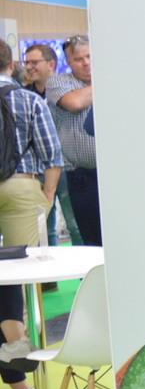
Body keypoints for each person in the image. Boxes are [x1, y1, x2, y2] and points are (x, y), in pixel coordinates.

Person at [0, 41, 64, 389]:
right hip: (22, 189)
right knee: (18, 277)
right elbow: (52, 155)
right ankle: (16, 343)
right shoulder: (28, 100)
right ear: (12, 65)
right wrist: (47, 195)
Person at [22, 43, 81, 249]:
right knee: (44, 228)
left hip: (66, 166)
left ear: (51, 64)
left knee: (74, 224)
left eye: (34, 62)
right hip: (37, 169)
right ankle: (49, 270)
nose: (29, 67)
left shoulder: (67, 91)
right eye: (27, 62)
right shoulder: (23, 95)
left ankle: (83, 267)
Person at [45, 36, 97, 245]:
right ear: (68, 62)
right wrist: (107, 79)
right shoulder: (58, 82)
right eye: (78, 59)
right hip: (81, 176)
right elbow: (75, 102)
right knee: (89, 238)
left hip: (115, 174)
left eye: (90, 56)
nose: (86, 63)